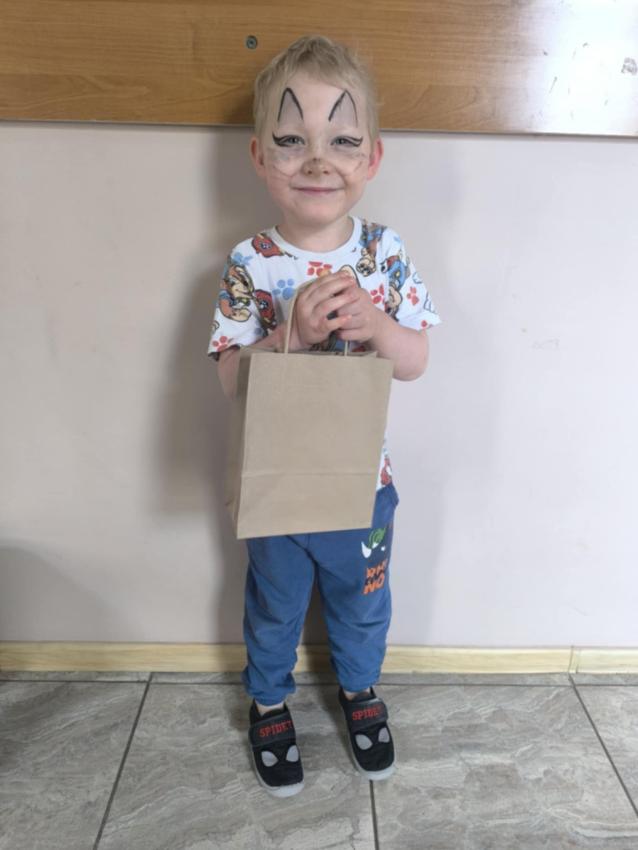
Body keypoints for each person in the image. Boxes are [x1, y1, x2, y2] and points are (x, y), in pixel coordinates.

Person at [208, 35, 441, 797]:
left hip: (363, 487)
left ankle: (360, 689)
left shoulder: (385, 253)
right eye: (291, 140)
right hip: (277, 489)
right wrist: (291, 336)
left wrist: (376, 326)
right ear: (259, 156)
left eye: (342, 140)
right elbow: (229, 379)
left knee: (363, 602)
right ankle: (269, 701)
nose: (317, 161)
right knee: (273, 606)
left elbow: (415, 359)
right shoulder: (250, 262)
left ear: (373, 157)